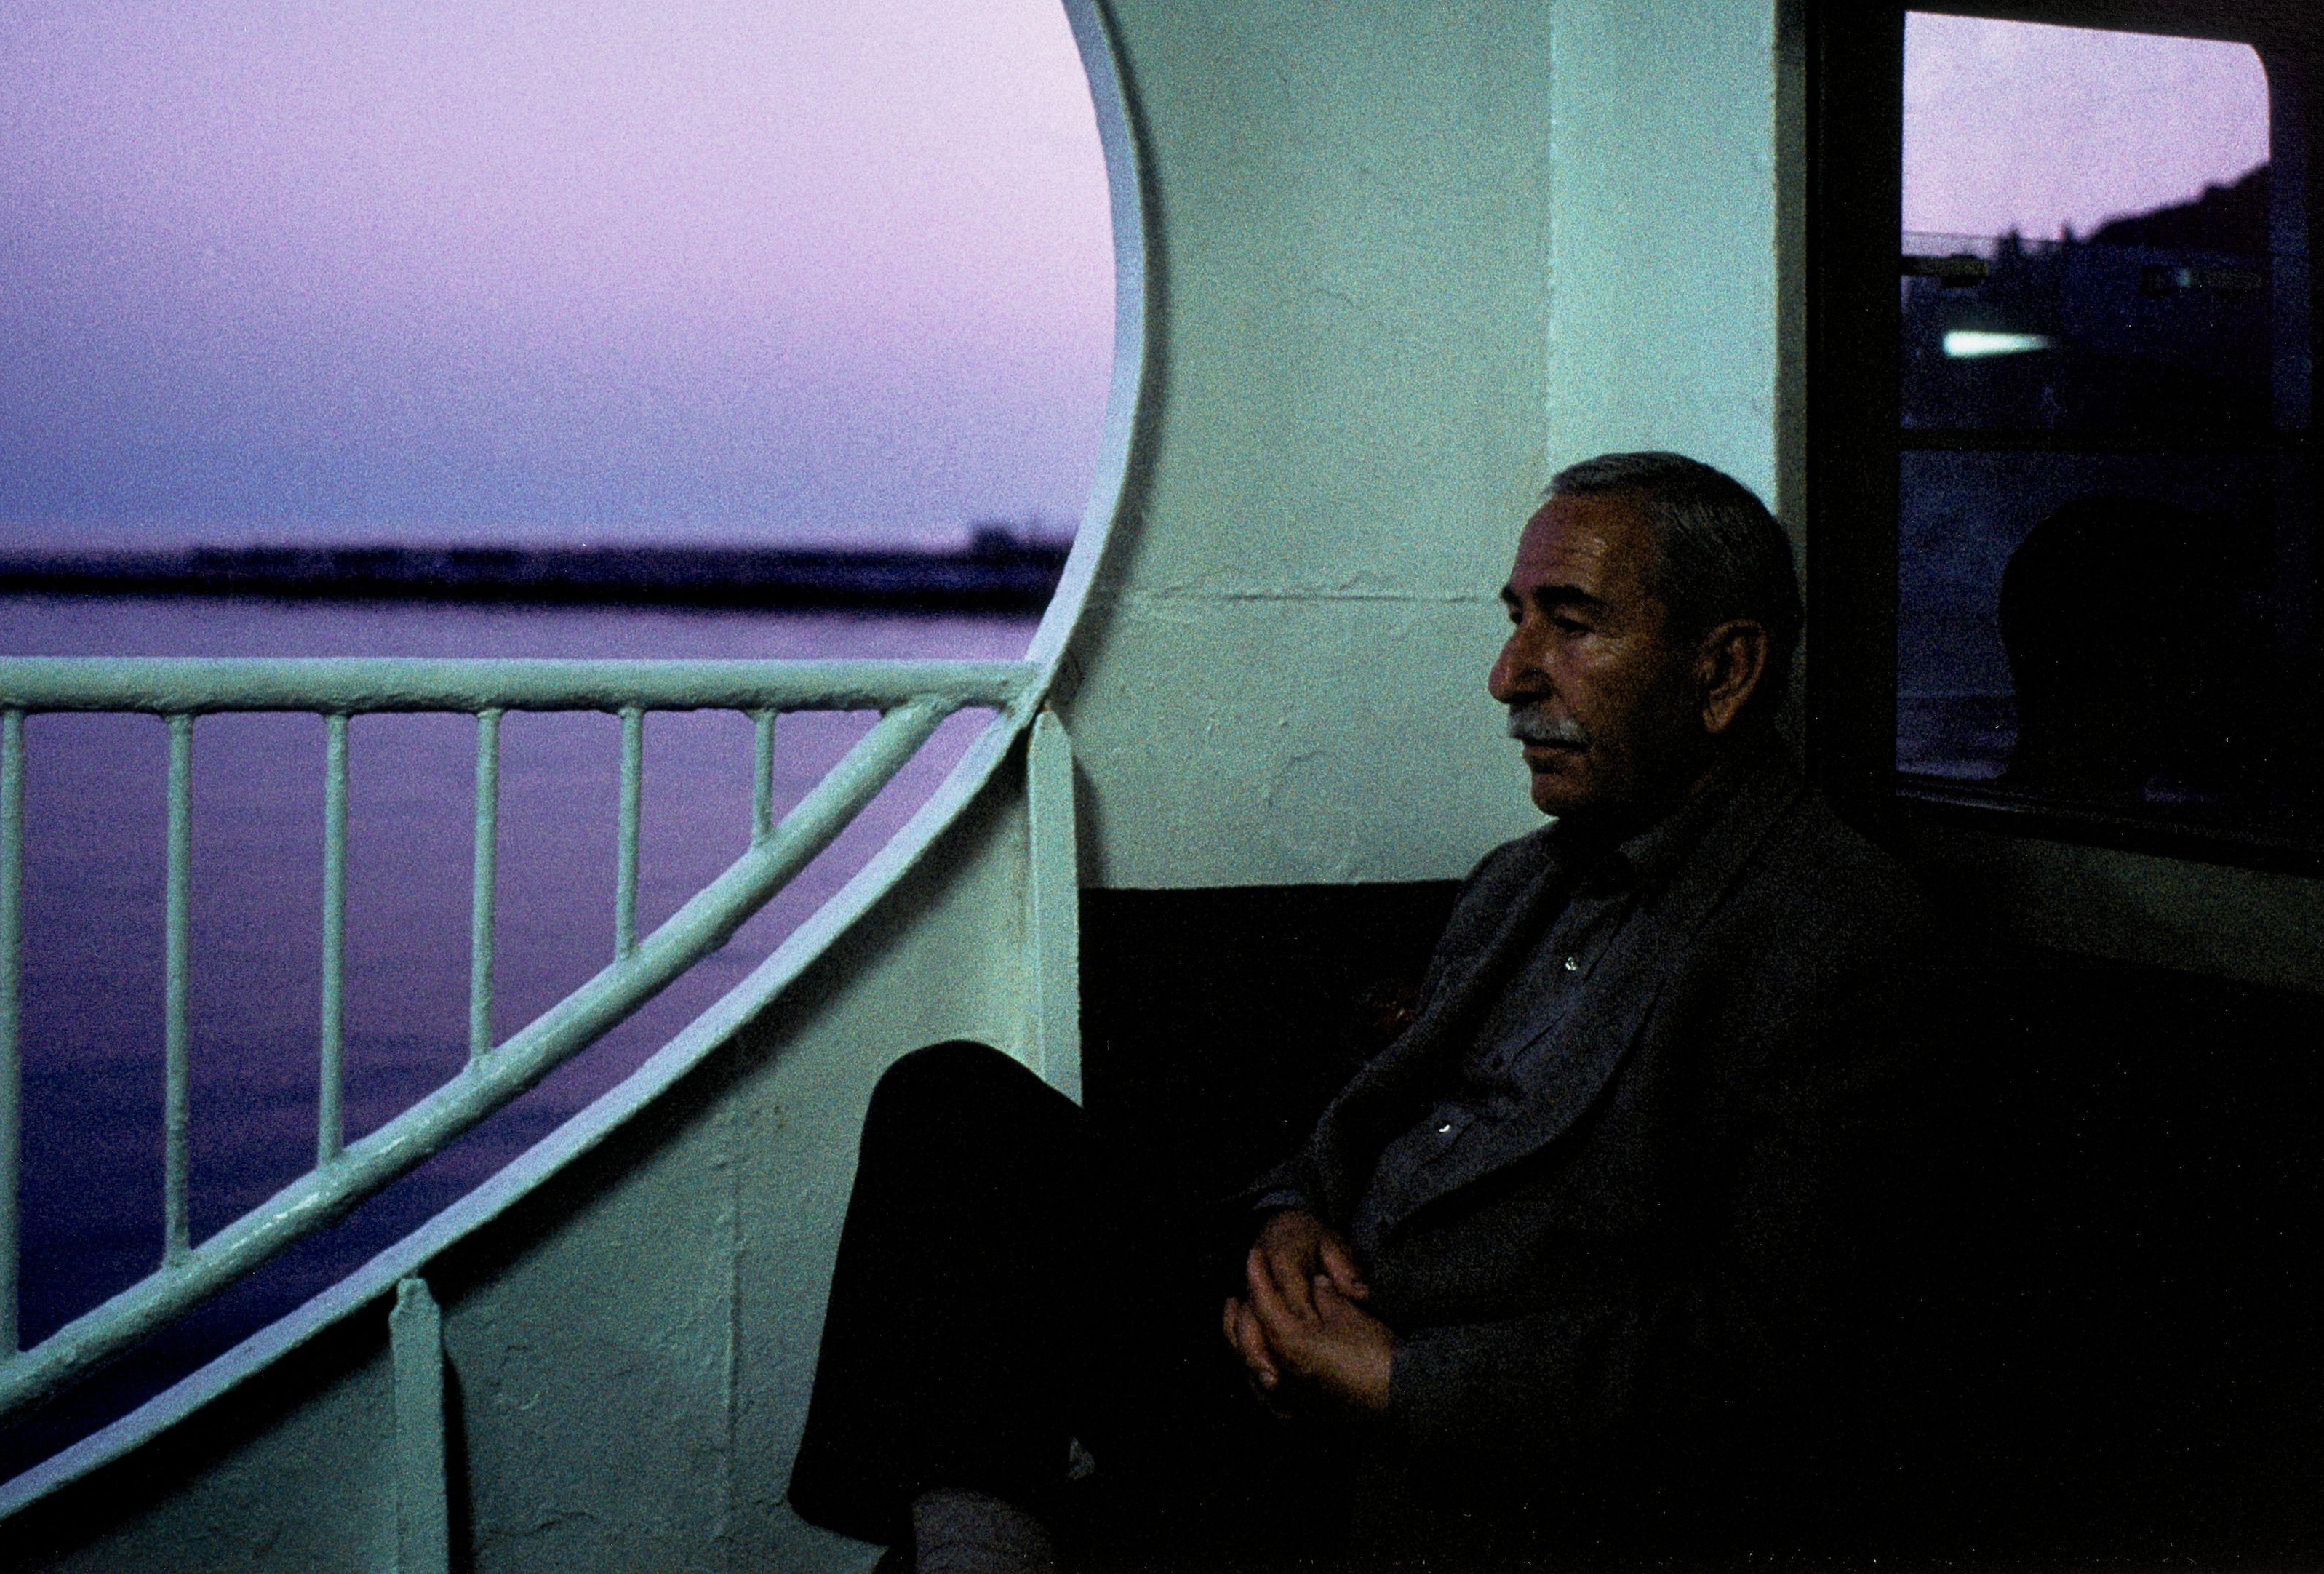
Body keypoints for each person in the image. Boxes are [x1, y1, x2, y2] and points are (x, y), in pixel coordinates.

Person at [787, 453, 1949, 1571]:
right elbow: (1363, 1121)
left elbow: (1773, 1360)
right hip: (1301, 1327)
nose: (1509, 672)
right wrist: (1282, 1226)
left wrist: (1394, 1379)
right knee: (951, 1109)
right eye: (1513, 618)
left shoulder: (1833, 935)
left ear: (1723, 670)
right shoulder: (1520, 881)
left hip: (1442, 1440)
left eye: (1571, 622)